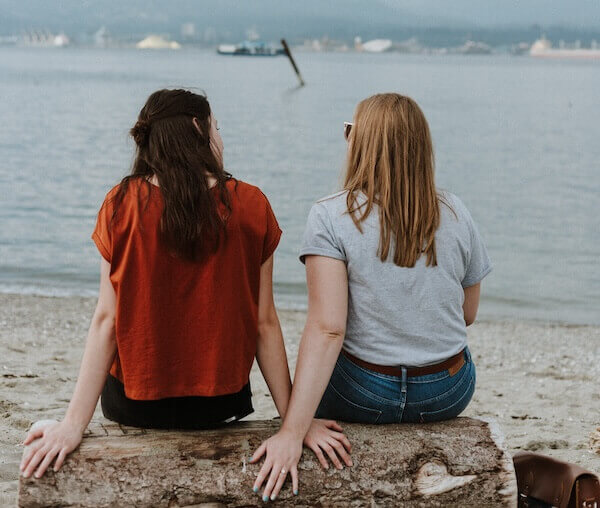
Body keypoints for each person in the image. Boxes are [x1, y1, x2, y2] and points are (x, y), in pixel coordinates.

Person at [19, 89, 350, 488]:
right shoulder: (250, 205)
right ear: (198, 128)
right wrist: (294, 424)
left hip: (133, 406)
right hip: (220, 405)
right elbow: (264, 324)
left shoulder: (120, 204)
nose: (221, 138)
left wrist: (74, 424)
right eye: (217, 128)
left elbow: (107, 320)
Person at [250, 93, 492, 500]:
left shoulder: (330, 216)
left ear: (361, 147)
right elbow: (467, 314)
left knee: (324, 355)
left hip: (363, 393)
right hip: (447, 392)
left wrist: (292, 431)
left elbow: (329, 329)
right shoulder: (455, 211)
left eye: (350, 133)